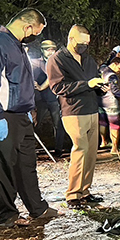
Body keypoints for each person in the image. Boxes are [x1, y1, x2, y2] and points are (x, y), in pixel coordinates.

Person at [0, 8, 58, 228]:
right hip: (0, 115)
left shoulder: (17, 45)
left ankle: (37, 208)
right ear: (28, 27)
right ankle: (8, 215)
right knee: (3, 166)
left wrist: (28, 109)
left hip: (20, 115)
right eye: (36, 32)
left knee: (26, 163)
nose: (35, 37)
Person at [47, 25, 106, 209]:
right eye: (82, 43)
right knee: (80, 150)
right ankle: (72, 195)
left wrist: (100, 87)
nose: (85, 46)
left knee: (90, 153)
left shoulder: (88, 59)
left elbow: (94, 79)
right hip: (73, 111)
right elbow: (57, 87)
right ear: (71, 39)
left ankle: (85, 192)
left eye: (87, 43)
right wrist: (86, 84)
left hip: (92, 109)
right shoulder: (57, 60)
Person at [31, 40, 65, 157]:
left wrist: (40, 87)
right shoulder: (36, 62)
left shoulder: (59, 63)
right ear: (42, 50)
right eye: (47, 49)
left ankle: (58, 150)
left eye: (52, 49)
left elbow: (52, 78)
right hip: (40, 100)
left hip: (54, 100)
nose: (50, 52)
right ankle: (30, 148)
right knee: (34, 124)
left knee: (58, 125)